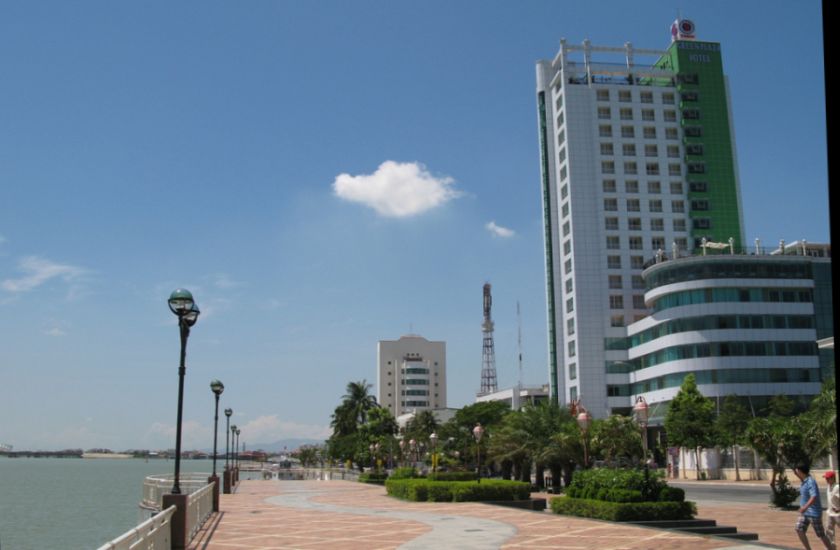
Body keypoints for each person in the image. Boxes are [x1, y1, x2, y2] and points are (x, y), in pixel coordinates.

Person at [793, 464, 832, 549]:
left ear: (800, 471)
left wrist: (804, 507)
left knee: (821, 534)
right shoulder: (804, 481)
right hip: (805, 513)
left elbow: (813, 496)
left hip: (814, 513)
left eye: (796, 471)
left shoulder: (810, 481)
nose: (795, 473)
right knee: (799, 529)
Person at [824, 471, 839, 549]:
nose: (826, 480)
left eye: (828, 478)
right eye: (826, 478)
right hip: (829, 513)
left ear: (833, 478)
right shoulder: (828, 486)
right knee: (829, 532)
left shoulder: (837, 487)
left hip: (838, 514)